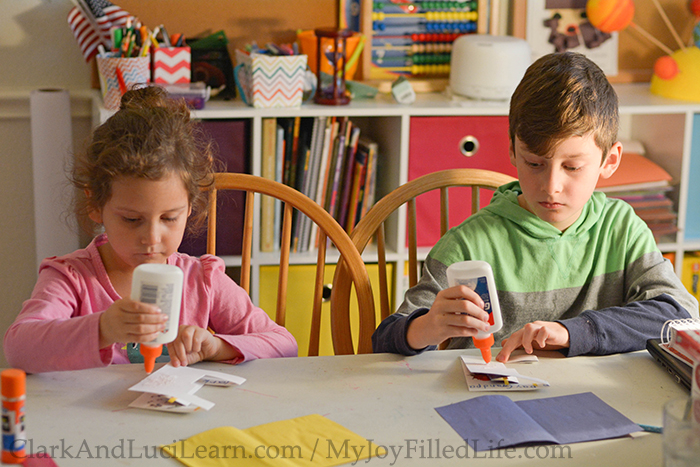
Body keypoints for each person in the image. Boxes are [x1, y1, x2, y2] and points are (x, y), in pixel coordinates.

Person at [372, 52, 699, 361]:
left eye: (572, 167)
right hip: (488, 406)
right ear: (513, 150)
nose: (551, 186)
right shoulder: (469, 244)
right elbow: (385, 341)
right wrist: (426, 328)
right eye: (534, 163)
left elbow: (679, 316)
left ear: (609, 161)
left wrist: (573, 333)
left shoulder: (622, 230)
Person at [4, 86, 297, 373]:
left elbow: (285, 345)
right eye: (132, 220)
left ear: (190, 206)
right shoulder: (73, 279)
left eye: (169, 218)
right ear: (96, 205)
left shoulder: (202, 281)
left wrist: (217, 346)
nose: (152, 238)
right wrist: (103, 328)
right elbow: (19, 349)